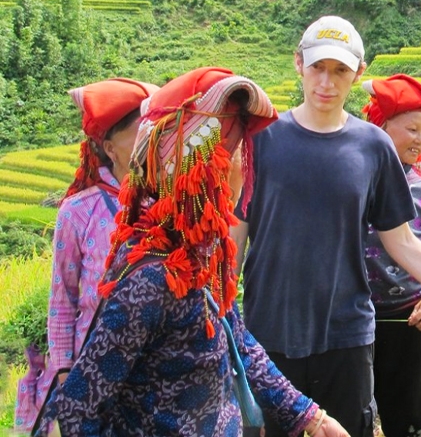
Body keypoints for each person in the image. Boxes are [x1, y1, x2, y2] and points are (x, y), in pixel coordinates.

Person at [231, 15, 421, 437]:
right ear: (298, 64)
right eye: (317, 68)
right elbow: (234, 238)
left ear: (358, 73)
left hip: (346, 334)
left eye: (340, 70)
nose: (327, 82)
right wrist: (213, 314)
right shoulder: (261, 140)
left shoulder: (372, 146)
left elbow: (402, 240)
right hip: (270, 332)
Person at [34, 67, 350, 436]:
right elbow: (77, 408)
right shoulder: (155, 277)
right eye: (235, 153)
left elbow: (238, 341)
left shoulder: (200, 254)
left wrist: (310, 417)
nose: (246, 167)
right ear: (203, 173)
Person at [14, 78, 158, 434]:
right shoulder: (79, 211)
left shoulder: (166, 204)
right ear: (110, 147)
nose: (150, 142)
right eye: (140, 132)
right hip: (91, 371)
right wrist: (64, 370)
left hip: (153, 370)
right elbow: (63, 298)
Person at [360, 74, 421, 437]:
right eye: (411, 129)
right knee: (352, 422)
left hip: (412, 323)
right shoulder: (352, 184)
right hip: (352, 325)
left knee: (409, 427)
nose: (420, 139)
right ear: (380, 127)